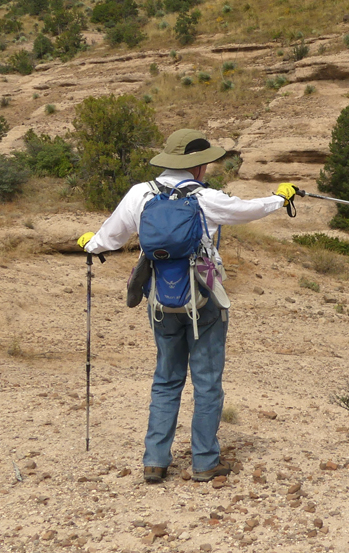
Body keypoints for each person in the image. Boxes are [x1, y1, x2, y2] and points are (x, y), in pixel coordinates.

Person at [76, 129, 296, 484]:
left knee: (166, 378)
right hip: (205, 299)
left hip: (161, 299)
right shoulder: (207, 197)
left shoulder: (140, 194)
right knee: (207, 381)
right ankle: (205, 461)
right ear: (197, 166)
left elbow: (109, 238)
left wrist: (91, 244)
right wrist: (280, 198)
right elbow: (247, 210)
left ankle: (155, 461)